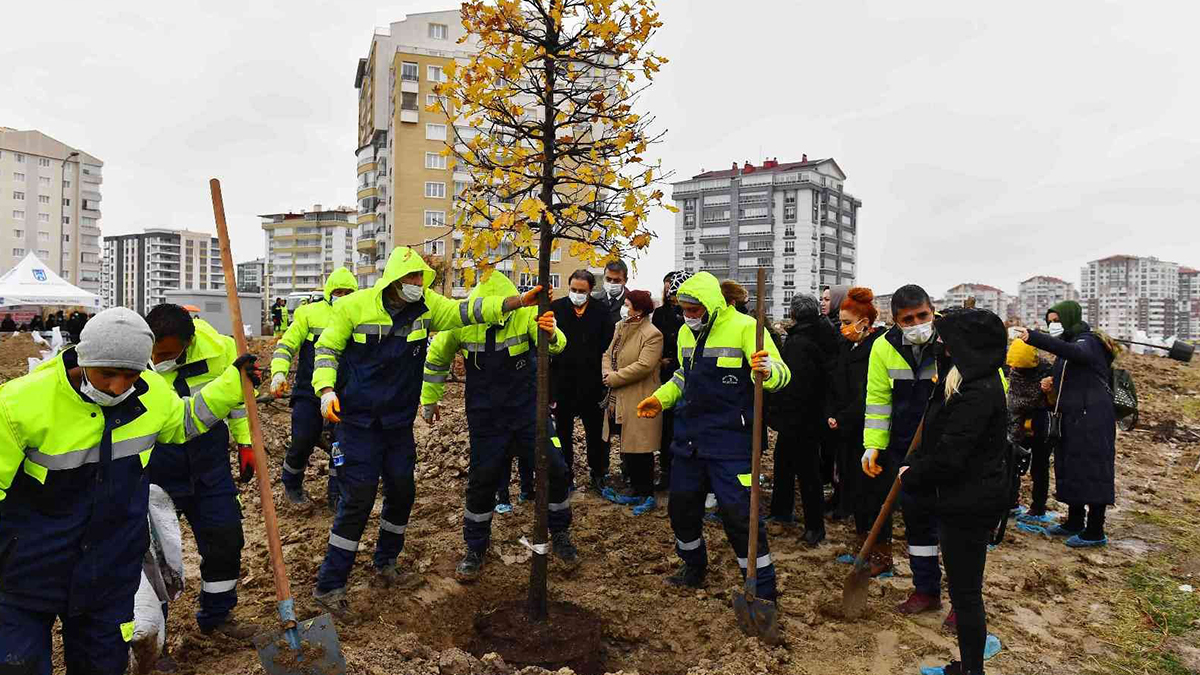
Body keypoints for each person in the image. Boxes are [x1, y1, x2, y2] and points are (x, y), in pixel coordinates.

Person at [0, 307, 257, 674]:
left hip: (108, 571)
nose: (118, 387)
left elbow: (185, 421)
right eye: (108, 374)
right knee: (17, 665)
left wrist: (234, 383)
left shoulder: (151, 395)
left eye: (130, 375)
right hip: (27, 569)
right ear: (84, 358)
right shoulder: (19, 404)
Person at [310, 246, 540, 615]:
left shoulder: (427, 306)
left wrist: (514, 303)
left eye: (421, 278)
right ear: (394, 280)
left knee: (402, 491)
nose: (418, 284)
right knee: (358, 500)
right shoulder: (353, 307)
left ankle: (386, 563)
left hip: (398, 423)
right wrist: (325, 389)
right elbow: (327, 350)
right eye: (412, 279)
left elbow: (464, 311)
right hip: (359, 423)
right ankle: (330, 584)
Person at [636, 272, 791, 641]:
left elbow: (783, 375)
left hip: (733, 443)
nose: (688, 315)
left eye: (694, 309)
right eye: (684, 309)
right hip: (690, 440)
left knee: (741, 515)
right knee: (682, 508)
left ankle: (761, 588)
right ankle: (694, 565)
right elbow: (682, 379)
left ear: (711, 305)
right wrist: (660, 398)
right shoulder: (688, 333)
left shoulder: (746, 328)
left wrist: (767, 371)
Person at [420, 270, 576, 581]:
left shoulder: (526, 315)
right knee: (483, 478)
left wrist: (552, 332)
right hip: (485, 414)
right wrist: (430, 399)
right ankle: (475, 546)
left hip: (527, 409)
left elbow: (556, 346)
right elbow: (437, 358)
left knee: (555, 468)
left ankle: (560, 534)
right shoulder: (464, 323)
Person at [898, 307, 1009, 675]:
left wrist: (912, 474)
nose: (942, 344)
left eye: (949, 340)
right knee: (966, 589)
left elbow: (950, 456)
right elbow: (939, 430)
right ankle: (969, 667)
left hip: (968, 502)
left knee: (965, 594)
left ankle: (971, 670)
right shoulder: (967, 377)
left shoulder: (978, 391)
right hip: (966, 497)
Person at [144, 304, 256, 641]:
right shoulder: (137, 356)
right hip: (157, 467)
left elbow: (235, 398)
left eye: (165, 352)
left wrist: (245, 441)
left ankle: (217, 616)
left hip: (209, 463)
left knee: (225, 538)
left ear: (188, 343)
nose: (155, 357)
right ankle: (153, 636)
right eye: (153, 348)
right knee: (153, 553)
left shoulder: (220, 350)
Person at [862, 285, 947, 619]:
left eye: (922, 316)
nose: (917, 324)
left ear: (932, 310)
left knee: (953, 526)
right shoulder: (883, 347)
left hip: (947, 446)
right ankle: (926, 590)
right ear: (895, 320)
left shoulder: (950, 340)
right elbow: (878, 402)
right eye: (907, 319)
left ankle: (964, 602)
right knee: (917, 521)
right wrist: (873, 446)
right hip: (905, 447)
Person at [1014, 301, 1118, 547]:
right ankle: (1074, 521)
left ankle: (1095, 530)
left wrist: (1033, 337)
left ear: (1070, 318)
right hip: (1073, 417)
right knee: (1073, 466)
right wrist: (1052, 382)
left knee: (1093, 469)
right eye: (1049, 321)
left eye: (1056, 320)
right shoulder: (1069, 345)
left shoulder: (1088, 341)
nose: (1052, 325)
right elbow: (1074, 372)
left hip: (1092, 418)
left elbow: (1079, 356)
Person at [270, 267, 359, 507]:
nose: (343, 296)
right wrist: (278, 372)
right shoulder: (308, 313)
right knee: (303, 437)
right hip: (309, 391)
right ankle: (292, 483)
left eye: (348, 292)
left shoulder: (359, 315)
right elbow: (286, 345)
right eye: (338, 291)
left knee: (340, 445)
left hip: (343, 393)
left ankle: (336, 494)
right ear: (330, 292)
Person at [827, 287, 888, 570]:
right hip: (845, 429)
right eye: (841, 322)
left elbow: (870, 394)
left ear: (865, 322)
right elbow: (835, 382)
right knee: (854, 489)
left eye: (848, 323)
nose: (843, 328)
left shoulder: (876, 348)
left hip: (867, 429)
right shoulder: (846, 346)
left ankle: (879, 553)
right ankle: (862, 545)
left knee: (871, 493)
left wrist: (845, 416)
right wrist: (832, 413)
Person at [767, 294, 830, 546]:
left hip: (800, 417)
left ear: (793, 315)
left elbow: (793, 384)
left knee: (807, 472)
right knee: (784, 461)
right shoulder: (822, 333)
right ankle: (782, 510)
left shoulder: (799, 343)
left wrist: (778, 412)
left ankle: (815, 527)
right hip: (811, 415)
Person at [550, 269, 615, 493]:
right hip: (563, 383)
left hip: (593, 384)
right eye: (573, 290)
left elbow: (607, 346)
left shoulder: (601, 312)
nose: (577, 294)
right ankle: (565, 475)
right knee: (563, 434)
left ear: (590, 291)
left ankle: (598, 473)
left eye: (582, 291)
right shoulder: (557, 309)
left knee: (596, 434)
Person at [600, 289, 663, 514]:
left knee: (641, 447)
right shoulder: (620, 327)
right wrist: (607, 373)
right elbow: (608, 354)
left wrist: (614, 378)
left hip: (639, 397)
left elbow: (644, 366)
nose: (624, 308)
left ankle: (646, 493)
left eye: (628, 304)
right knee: (626, 444)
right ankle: (634, 489)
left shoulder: (652, 334)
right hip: (619, 397)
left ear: (639, 310)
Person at [1005, 339, 1054, 523]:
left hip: (1041, 429)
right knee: (1013, 465)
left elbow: (1051, 399)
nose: (1018, 370)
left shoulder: (1048, 372)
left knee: (1039, 468)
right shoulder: (1015, 372)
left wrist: (1046, 391)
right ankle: (1011, 502)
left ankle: (1038, 507)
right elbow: (1015, 402)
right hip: (1018, 429)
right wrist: (1038, 396)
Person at [651, 272, 689, 491]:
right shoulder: (660, 314)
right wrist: (660, 359)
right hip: (666, 376)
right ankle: (666, 470)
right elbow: (657, 338)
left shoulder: (690, 314)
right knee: (666, 427)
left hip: (685, 372)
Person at [597, 260, 629, 325]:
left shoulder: (632, 302)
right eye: (608, 279)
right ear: (603, 278)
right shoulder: (595, 299)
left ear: (625, 280)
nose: (612, 283)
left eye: (617, 280)